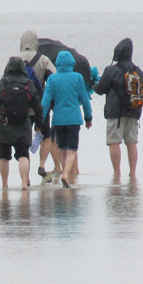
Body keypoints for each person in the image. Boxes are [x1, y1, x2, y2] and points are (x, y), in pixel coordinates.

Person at [0, 56, 43, 191]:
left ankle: (4, 184)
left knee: (3, 156)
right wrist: (39, 124)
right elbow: (38, 106)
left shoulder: (2, 83)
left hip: (4, 124)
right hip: (23, 123)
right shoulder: (28, 84)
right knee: (23, 154)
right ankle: (23, 183)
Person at [93, 37, 143, 181]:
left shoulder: (111, 70)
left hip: (115, 114)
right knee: (131, 143)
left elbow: (100, 89)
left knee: (114, 142)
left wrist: (93, 84)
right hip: (134, 112)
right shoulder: (138, 71)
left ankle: (117, 174)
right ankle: (132, 174)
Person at [41, 50, 92, 188]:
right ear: (72, 63)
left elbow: (45, 102)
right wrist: (88, 117)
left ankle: (65, 173)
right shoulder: (78, 77)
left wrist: (40, 119)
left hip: (58, 120)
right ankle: (66, 175)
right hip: (74, 119)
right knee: (72, 150)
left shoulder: (52, 78)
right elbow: (85, 100)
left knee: (62, 149)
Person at [20, 30, 59, 183]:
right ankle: (42, 165)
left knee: (25, 140)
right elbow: (54, 78)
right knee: (46, 136)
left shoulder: (14, 59)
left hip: (21, 106)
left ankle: (26, 177)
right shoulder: (43, 59)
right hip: (40, 105)